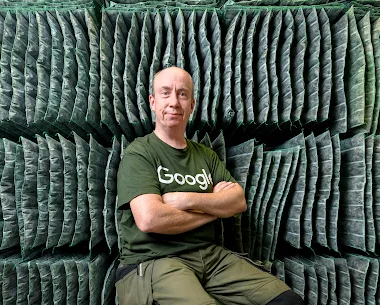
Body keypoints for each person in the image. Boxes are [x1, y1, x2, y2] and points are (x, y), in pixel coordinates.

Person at [115, 66, 304, 305]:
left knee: (287, 301)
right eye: (165, 93)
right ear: (152, 102)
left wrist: (186, 200)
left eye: (182, 94)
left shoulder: (206, 156)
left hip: (210, 256)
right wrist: (214, 210)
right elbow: (150, 219)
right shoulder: (140, 153)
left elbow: (237, 202)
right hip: (154, 260)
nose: (174, 102)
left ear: (192, 105)